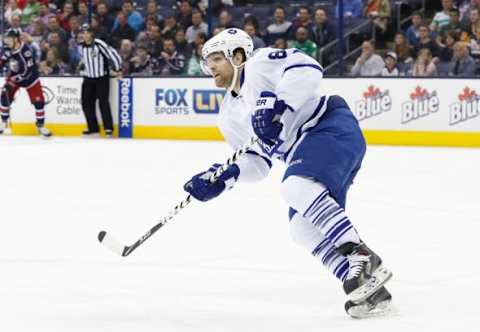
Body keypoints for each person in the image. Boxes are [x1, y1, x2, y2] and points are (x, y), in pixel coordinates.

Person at [183, 28, 393, 318]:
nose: (211, 67)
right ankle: (367, 287)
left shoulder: (259, 65)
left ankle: (361, 255)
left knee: (294, 186)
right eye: (208, 62)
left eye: (217, 58)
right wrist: (226, 176)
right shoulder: (228, 116)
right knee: (301, 229)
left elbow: (309, 68)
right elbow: (258, 163)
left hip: (329, 126)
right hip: (308, 153)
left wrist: (280, 105)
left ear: (239, 56)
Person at [0, 29, 52, 137]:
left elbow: (27, 71)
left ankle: (41, 126)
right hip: (15, 76)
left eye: (9, 39)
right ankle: (3, 123)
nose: (6, 41)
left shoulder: (25, 51)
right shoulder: (7, 48)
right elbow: (2, 60)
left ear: (16, 39)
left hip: (30, 78)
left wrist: (15, 79)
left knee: (39, 102)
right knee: (4, 96)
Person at [78, 24, 122, 137]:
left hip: (101, 78)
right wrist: (81, 67)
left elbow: (113, 54)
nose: (85, 35)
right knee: (86, 103)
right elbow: (84, 59)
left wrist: (118, 69)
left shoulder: (99, 44)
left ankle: (108, 128)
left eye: (87, 33)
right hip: (88, 78)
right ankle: (93, 128)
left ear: (92, 34)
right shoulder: (80, 46)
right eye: (83, 33)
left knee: (103, 103)